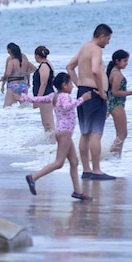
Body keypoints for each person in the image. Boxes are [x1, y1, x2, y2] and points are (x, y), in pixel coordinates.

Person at [19, 72, 94, 201]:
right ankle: (34, 177)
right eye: (70, 83)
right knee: (59, 163)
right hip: (64, 132)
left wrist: (24, 97)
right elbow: (67, 107)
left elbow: (39, 99)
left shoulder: (54, 95)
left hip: (63, 132)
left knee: (74, 162)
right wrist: (83, 99)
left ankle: (78, 191)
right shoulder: (65, 97)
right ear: (64, 85)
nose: (72, 86)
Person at [67, 23, 114, 180]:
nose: (108, 42)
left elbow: (69, 67)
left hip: (83, 92)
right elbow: (95, 70)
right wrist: (101, 92)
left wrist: (79, 84)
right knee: (95, 133)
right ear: (101, 36)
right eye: (108, 39)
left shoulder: (84, 47)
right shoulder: (96, 49)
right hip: (94, 96)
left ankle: (86, 170)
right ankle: (96, 170)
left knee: (85, 133)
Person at [106, 50, 132, 159]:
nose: (126, 63)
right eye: (125, 61)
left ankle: (114, 156)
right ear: (117, 61)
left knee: (121, 133)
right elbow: (115, 92)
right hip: (116, 104)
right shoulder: (116, 74)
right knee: (122, 133)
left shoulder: (113, 71)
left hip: (113, 104)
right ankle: (113, 156)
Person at [0, 42, 35, 107]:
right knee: (24, 106)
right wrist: (27, 78)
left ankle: (11, 117)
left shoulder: (10, 61)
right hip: (23, 85)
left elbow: (7, 73)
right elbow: (33, 68)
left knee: (7, 107)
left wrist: (3, 83)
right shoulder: (25, 59)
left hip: (13, 85)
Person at [31, 45, 56, 135]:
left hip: (46, 96)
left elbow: (43, 84)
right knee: (46, 124)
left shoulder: (44, 66)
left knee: (48, 124)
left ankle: (54, 144)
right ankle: (49, 144)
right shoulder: (47, 64)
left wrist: (37, 99)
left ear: (37, 56)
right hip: (46, 96)